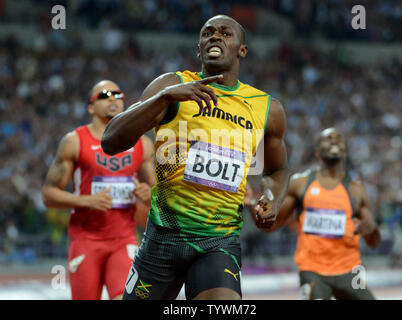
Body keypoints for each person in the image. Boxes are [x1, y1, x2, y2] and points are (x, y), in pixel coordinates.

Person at [101, 15, 289, 300]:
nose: (215, 36)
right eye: (207, 33)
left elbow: (278, 169)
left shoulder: (267, 109)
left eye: (226, 33)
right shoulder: (172, 85)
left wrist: (271, 199)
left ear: (242, 50)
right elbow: (111, 141)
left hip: (219, 241)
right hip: (162, 238)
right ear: (198, 48)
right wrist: (164, 98)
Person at [42, 80, 155, 300]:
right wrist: (86, 201)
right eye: (104, 95)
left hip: (124, 239)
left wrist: (149, 195)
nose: (112, 98)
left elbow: (157, 191)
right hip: (86, 240)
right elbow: (48, 195)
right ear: (91, 107)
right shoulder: (74, 142)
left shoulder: (142, 144)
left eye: (117, 94)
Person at [257, 127, 381, 300]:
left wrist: (372, 230)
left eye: (338, 138)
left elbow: (373, 242)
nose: (333, 140)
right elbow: (271, 224)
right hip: (312, 270)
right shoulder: (300, 183)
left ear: (345, 152)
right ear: (317, 152)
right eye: (327, 139)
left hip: (350, 271)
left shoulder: (356, 189)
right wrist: (257, 207)